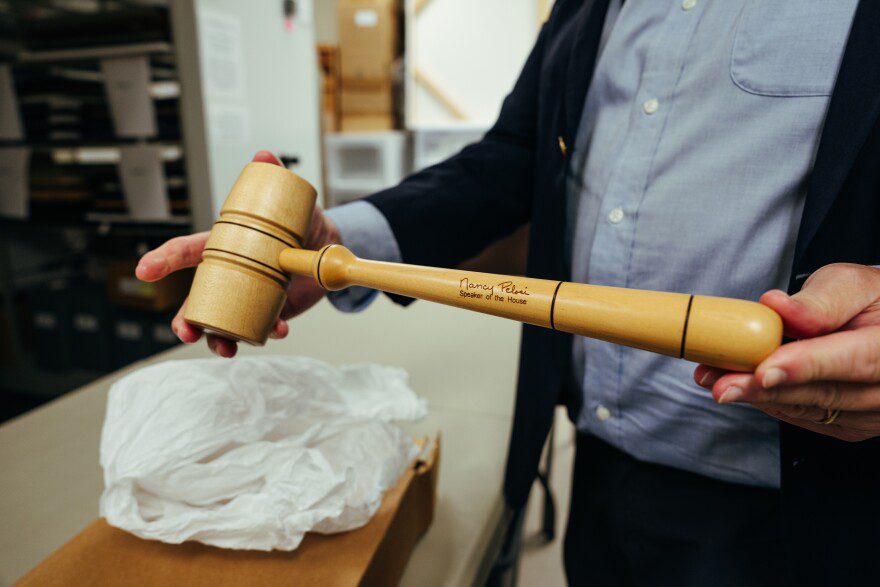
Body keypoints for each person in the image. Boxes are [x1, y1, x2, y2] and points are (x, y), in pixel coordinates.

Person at [138, 0, 880, 584]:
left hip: (812, 500)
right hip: (597, 457)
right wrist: (339, 246)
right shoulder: (591, 4)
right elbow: (511, 160)